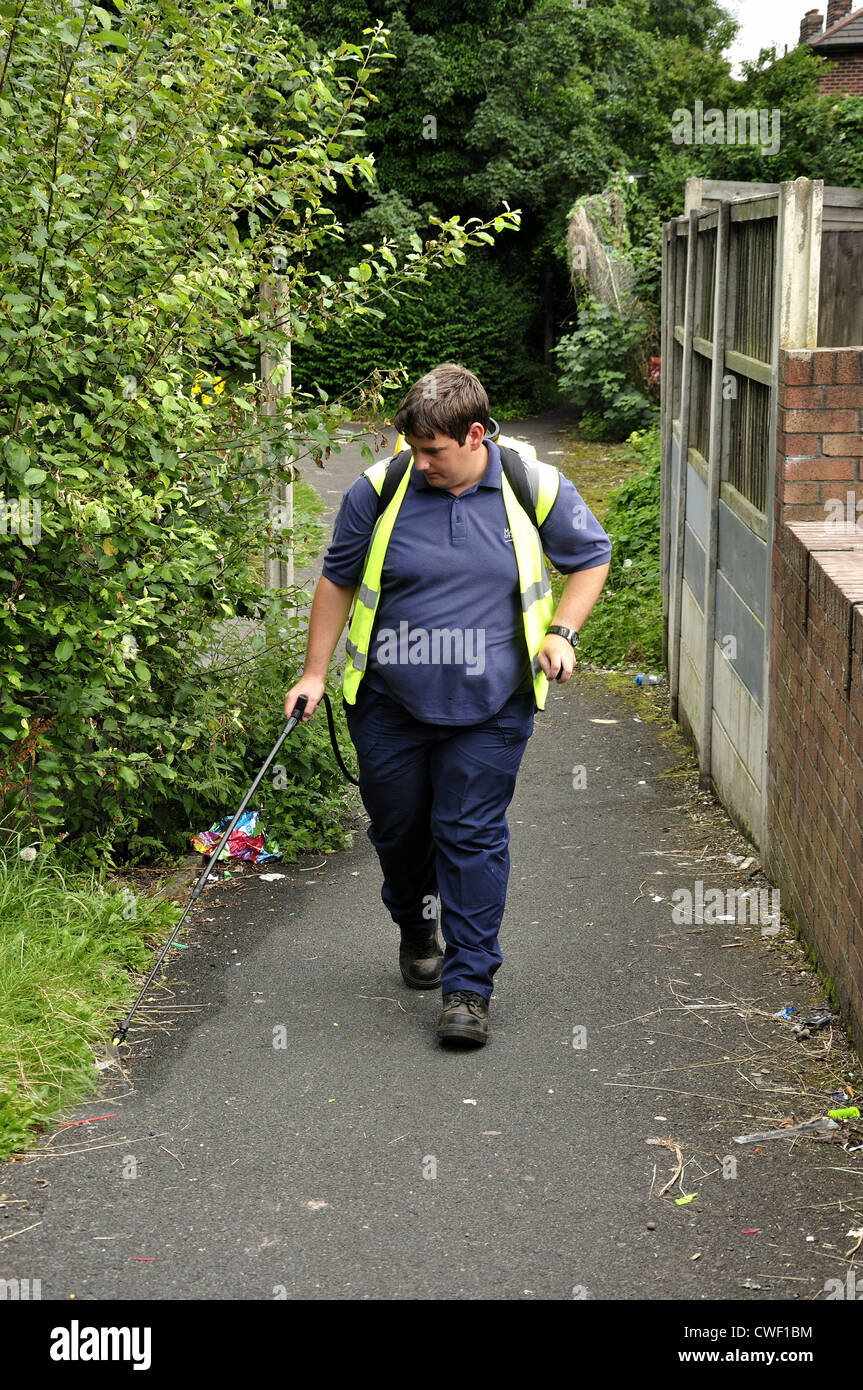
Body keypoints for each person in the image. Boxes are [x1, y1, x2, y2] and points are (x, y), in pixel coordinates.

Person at [284, 363, 611, 1047]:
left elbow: (590, 558)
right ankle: (414, 923)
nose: (419, 460)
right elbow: (338, 580)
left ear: (472, 435)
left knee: (469, 834)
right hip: (387, 702)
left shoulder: (532, 485)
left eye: (432, 451)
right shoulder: (380, 489)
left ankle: (469, 987)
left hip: (491, 705)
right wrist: (314, 673)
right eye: (411, 447)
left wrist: (561, 632)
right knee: (400, 833)